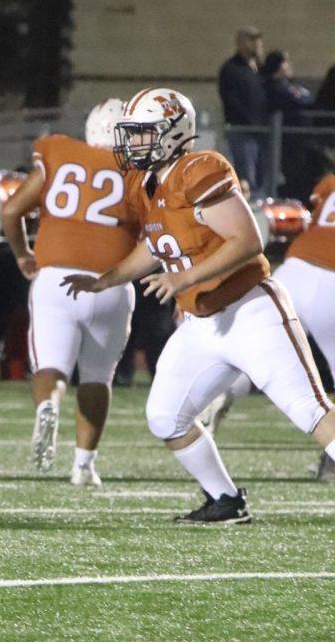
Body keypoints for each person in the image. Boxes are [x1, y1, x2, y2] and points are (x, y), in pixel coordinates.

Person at [64, 87, 335, 524]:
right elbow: (155, 245)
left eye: (142, 134)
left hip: (250, 309)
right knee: (165, 417)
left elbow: (249, 240)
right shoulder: (146, 183)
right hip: (202, 322)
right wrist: (105, 280)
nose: (132, 145)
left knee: (310, 411)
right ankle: (225, 500)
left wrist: (184, 277)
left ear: (173, 133)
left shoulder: (198, 169)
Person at [1, 98, 140, 486]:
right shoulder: (141, 172)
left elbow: (12, 211)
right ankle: (84, 465)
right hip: (112, 283)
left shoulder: (59, 152)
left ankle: (48, 404)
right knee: (98, 378)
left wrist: (23, 254)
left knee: (52, 367)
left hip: (57, 279)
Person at [270, 164, 335, 476]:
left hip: (292, 270)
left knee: (252, 351)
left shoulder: (329, 181)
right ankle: (333, 458)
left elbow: (308, 218)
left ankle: (207, 410)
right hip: (332, 282)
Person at [218, 27, 267, 193]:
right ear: (240, 43)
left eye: (257, 40)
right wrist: (249, 120)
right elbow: (231, 100)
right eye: (251, 40)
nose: (256, 44)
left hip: (262, 131)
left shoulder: (260, 68)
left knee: (262, 173)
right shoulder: (231, 69)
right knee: (247, 173)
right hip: (242, 130)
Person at [263, 50, 316, 201]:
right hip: (289, 143)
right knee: (293, 177)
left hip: (300, 142)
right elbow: (300, 100)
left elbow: (308, 98)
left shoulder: (288, 85)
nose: (289, 66)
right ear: (278, 66)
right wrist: (302, 97)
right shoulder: (274, 87)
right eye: (286, 62)